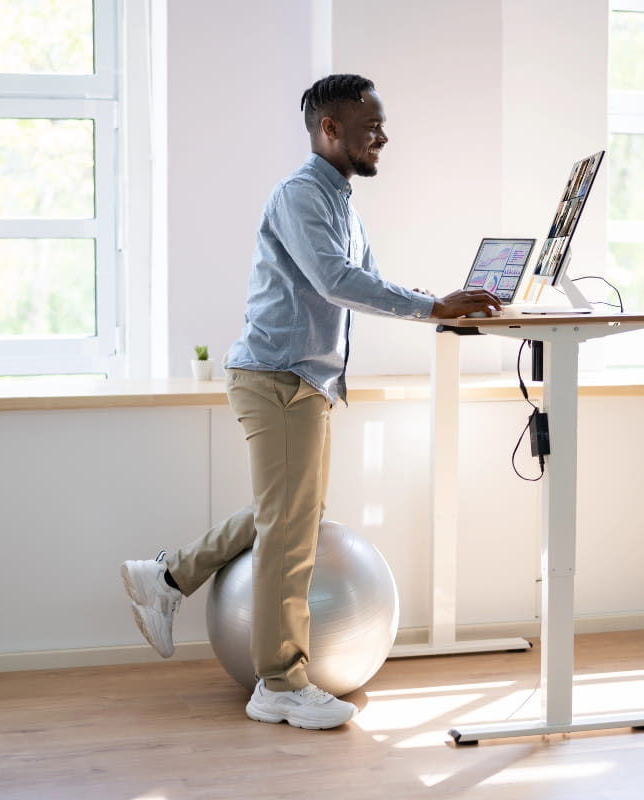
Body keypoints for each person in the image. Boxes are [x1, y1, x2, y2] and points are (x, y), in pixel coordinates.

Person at [120, 73, 500, 731]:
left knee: (294, 514)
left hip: (301, 381)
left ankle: (168, 576)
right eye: (369, 125)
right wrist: (433, 305)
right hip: (278, 377)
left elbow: (369, 282)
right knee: (291, 533)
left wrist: (440, 308)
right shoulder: (300, 195)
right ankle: (279, 683)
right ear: (331, 129)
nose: (382, 135)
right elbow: (334, 281)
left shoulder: (343, 202)